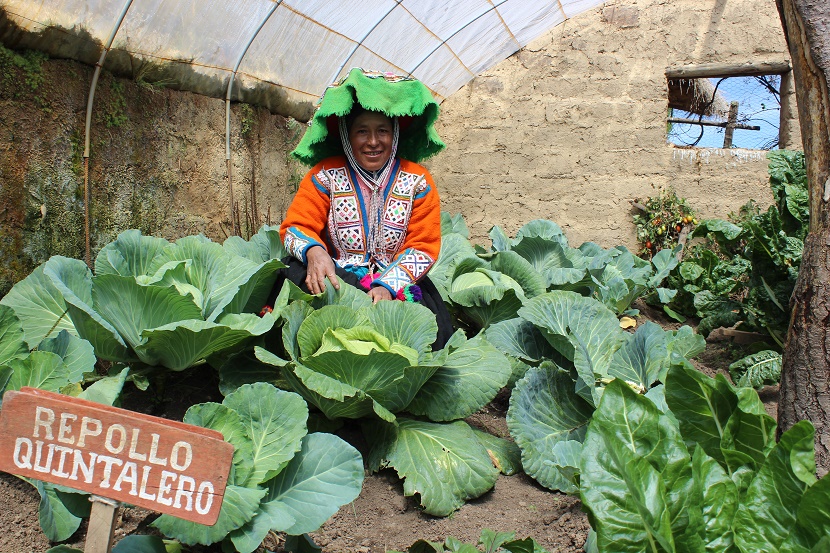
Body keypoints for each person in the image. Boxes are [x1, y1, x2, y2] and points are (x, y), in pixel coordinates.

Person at [275, 68, 454, 349]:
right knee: (293, 274)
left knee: (426, 336)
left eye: (382, 130)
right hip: (337, 277)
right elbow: (296, 227)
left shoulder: (418, 180)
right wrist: (314, 251)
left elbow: (423, 246)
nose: (373, 142)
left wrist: (388, 284)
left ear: (394, 134)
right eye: (362, 132)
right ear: (347, 136)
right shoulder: (325, 175)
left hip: (397, 280)